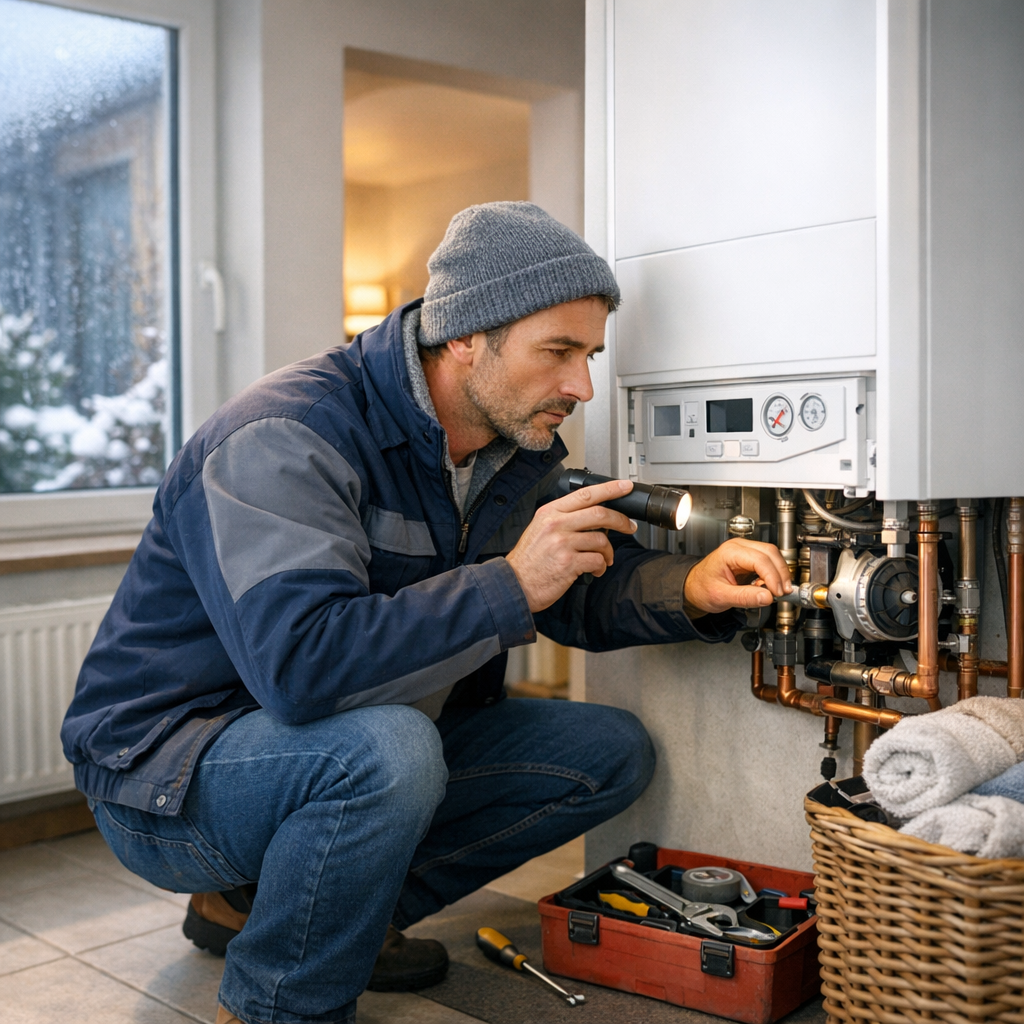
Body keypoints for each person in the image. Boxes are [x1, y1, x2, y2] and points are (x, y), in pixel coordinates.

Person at [61, 202, 791, 1024]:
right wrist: (511, 583)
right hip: (168, 771)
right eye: (558, 351)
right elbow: (303, 671)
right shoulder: (285, 438)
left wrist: (690, 589)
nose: (580, 386)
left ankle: (311, 916)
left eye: (588, 354)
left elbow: (571, 588)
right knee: (386, 751)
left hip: (336, 742)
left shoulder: (508, 453)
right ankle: (277, 1005)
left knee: (605, 750)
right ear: (465, 337)